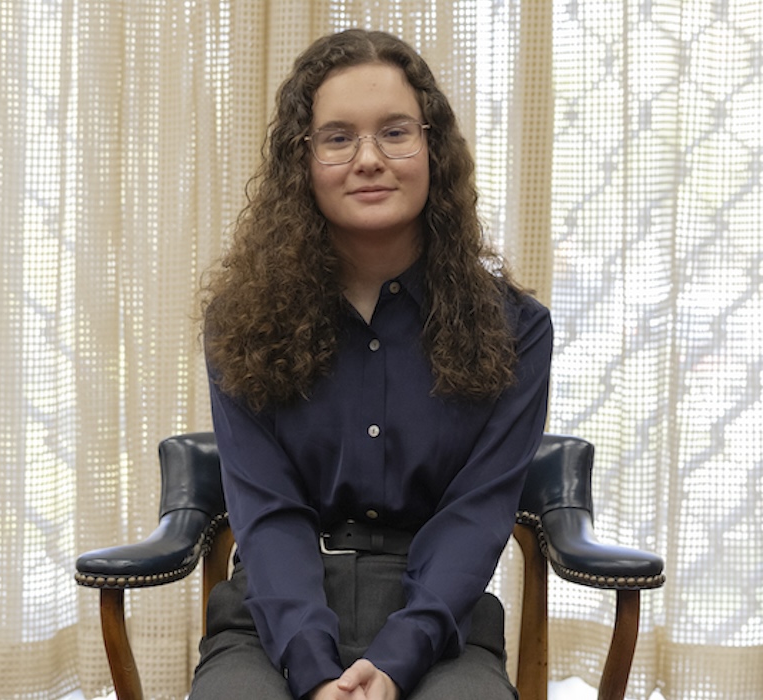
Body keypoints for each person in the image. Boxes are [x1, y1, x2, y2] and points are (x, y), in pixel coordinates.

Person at [195, 28, 553, 700]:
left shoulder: (517, 331)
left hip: (441, 622)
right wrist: (312, 667)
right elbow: (267, 514)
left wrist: (395, 660)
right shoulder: (238, 325)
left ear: (433, 151)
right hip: (272, 619)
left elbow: (476, 517)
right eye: (337, 138)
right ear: (301, 161)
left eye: (395, 132)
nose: (369, 159)